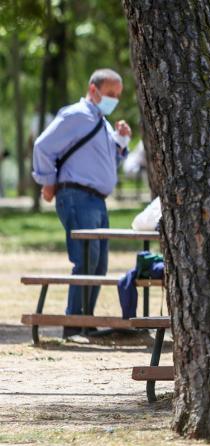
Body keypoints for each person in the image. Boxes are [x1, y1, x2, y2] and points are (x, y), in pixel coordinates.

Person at [32, 68, 132, 338]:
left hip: (96, 200)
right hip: (77, 196)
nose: (114, 100)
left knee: (98, 264)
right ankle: (74, 323)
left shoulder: (102, 121)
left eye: (118, 96)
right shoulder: (76, 115)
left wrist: (121, 142)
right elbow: (43, 146)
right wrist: (48, 181)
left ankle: (85, 320)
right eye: (110, 94)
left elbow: (105, 161)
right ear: (93, 90)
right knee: (86, 259)